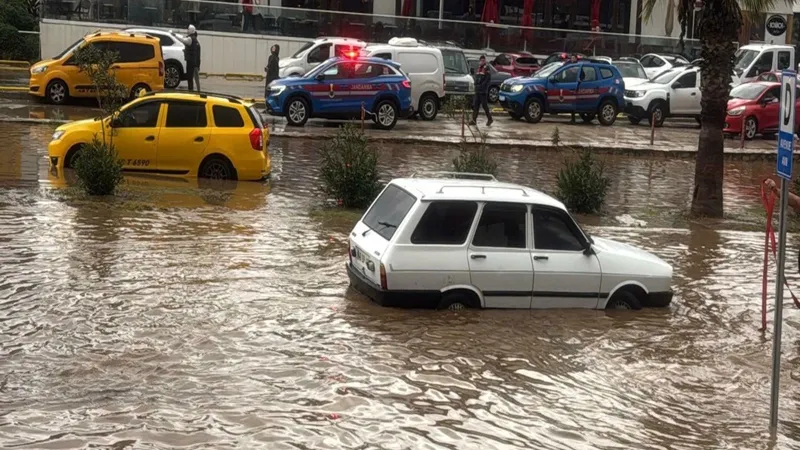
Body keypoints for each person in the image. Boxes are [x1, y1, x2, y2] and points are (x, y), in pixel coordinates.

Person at [470, 55, 493, 127]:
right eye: (481, 60)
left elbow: (488, 79)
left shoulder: (486, 68)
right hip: (478, 91)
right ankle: (474, 120)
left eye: (483, 60)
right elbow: (477, 78)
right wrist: (475, 84)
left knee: (484, 105)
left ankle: (490, 119)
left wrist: (482, 86)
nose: (482, 62)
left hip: (483, 91)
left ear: (485, 61)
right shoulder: (479, 68)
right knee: (476, 105)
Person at [179, 25, 201, 91]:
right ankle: (198, 91)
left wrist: (197, 64)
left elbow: (195, 54)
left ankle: (195, 91)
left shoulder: (192, 40)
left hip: (192, 62)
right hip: (195, 62)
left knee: (191, 78)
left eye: (188, 29)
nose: (187, 31)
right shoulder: (196, 41)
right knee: (194, 78)